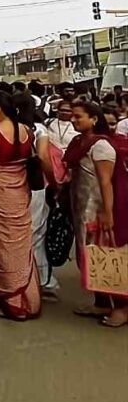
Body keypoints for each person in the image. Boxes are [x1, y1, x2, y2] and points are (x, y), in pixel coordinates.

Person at [0, 91, 41, 320]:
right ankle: (28, 300)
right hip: (19, 195)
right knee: (19, 247)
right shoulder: (26, 131)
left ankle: (11, 302)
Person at [64, 101, 127, 328]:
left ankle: (121, 307)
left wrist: (106, 212)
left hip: (98, 209)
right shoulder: (80, 142)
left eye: (78, 116)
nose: (73, 119)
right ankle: (101, 302)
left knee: (106, 256)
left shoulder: (101, 146)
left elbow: (106, 182)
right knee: (88, 257)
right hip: (82, 207)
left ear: (94, 119)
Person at [14, 92, 58, 299]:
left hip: (13, 184)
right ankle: (43, 281)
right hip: (35, 184)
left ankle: (18, 279)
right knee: (37, 232)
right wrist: (54, 182)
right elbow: (43, 158)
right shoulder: (38, 130)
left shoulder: (9, 129)